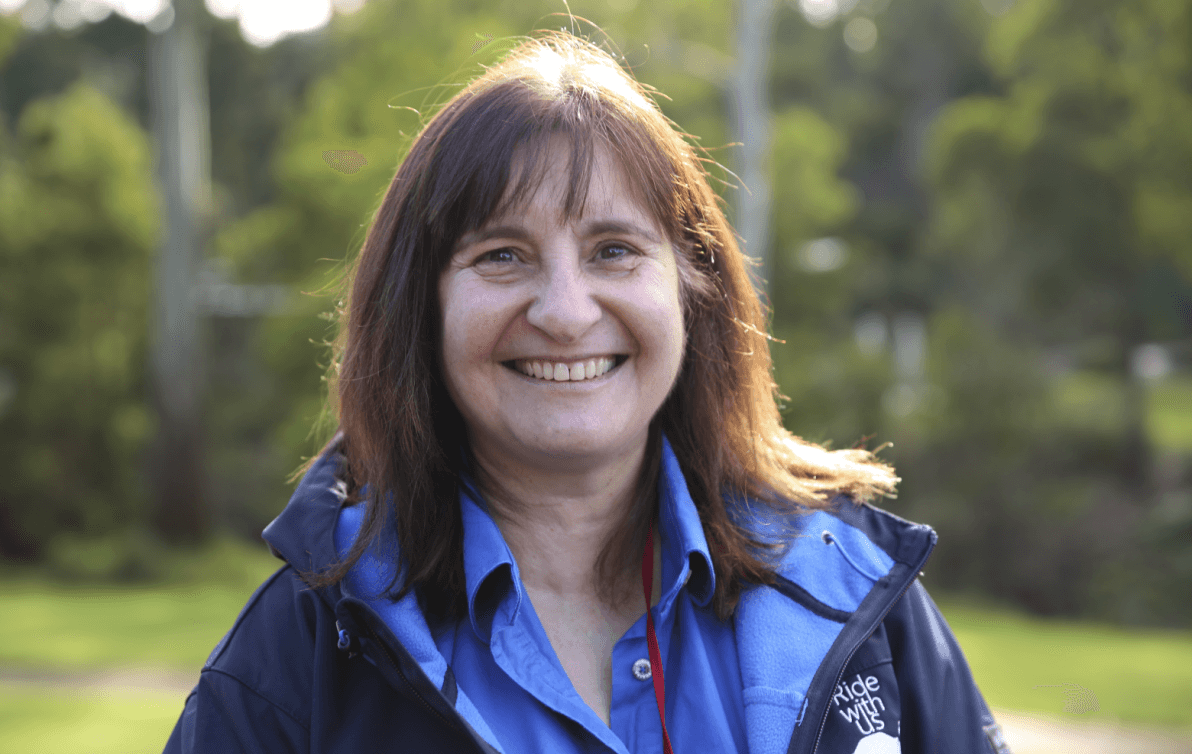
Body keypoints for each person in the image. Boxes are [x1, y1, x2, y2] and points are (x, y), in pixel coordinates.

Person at [165, 32, 1009, 754]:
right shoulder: (304, 652)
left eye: (613, 250)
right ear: (421, 308)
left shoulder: (856, 600)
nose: (566, 313)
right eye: (502, 254)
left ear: (693, 288)